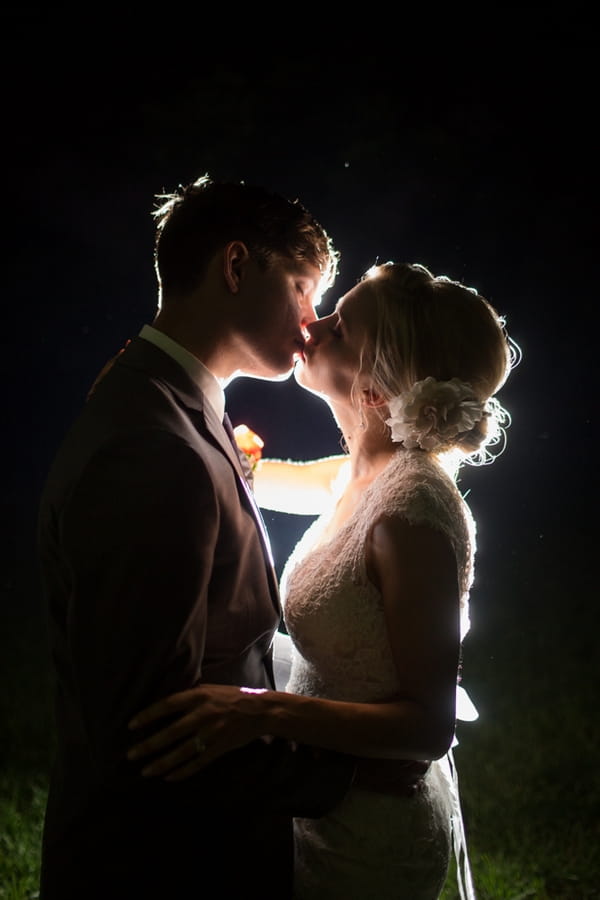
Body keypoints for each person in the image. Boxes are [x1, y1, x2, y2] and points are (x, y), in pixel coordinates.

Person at [127, 261, 517, 899]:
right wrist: (154, 392)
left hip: (371, 832)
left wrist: (257, 712)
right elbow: (250, 473)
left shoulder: (413, 511)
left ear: (372, 388)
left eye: (340, 328)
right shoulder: (358, 472)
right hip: (316, 796)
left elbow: (427, 726)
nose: (316, 323)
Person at [37, 173, 370, 899]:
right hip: (166, 862)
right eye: (305, 287)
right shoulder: (155, 448)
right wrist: (356, 768)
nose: (312, 321)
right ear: (237, 266)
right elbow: (147, 730)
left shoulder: (163, 396)